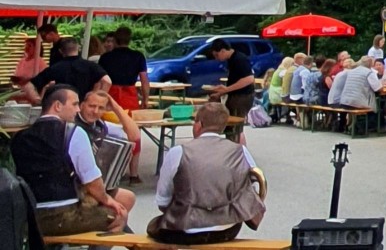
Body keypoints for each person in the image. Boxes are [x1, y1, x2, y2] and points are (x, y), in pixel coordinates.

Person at [11, 85, 133, 235]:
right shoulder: (72, 132)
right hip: (63, 216)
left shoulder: (19, 137)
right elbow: (92, 181)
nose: (77, 109)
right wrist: (107, 199)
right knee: (118, 216)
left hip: (29, 218)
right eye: (74, 104)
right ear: (57, 106)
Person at [149, 103, 266, 244]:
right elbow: (251, 190)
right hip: (228, 228)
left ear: (198, 124)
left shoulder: (178, 152)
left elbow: (163, 201)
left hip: (185, 228)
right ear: (223, 126)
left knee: (154, 226)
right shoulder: (240, 152)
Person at [76, 90, 143, 186]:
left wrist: (116, 108)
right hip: (78, 180)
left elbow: (135, 136)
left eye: (100, 108)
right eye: (91, 106)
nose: (95, 111)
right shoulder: (72, 123)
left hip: (96, 179)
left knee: (128, 198)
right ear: (82, 105)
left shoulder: (100, 124)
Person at [23, 38, 111, 103]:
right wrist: (96, 99)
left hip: (62, 107)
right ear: (78, 48)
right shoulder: (91, 66)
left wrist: (37, 100)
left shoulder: (55, 68)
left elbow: (28, 86)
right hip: (84, 106)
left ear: (60, 51)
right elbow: (107, 81)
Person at [99, 27, 150, 111]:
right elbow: (144, 80)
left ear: (115, 40)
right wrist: (145, 99)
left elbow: (101, 80)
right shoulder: (138, 56)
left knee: (111, 121)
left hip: (111, 95)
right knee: (129, 121)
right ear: (129, 40)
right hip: (130, 95)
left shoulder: (105, 57)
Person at [208, 39, 256, 121]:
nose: (216, 58)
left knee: (235, 126)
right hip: (235, 96)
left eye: (217, 55)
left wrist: (226, 89)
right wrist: (221, 93)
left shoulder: (239, 59)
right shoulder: (231, 59)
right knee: (230, 125)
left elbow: (249, 79)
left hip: (242, 96)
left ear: (223, 51)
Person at [339, 56, 383, 131]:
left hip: (344, 101)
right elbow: (378, 88)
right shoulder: (369, 72)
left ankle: (353, 126)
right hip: (356, 102)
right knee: (375, 108)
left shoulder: (352, 71)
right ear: (370, 64)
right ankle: (369, 127)